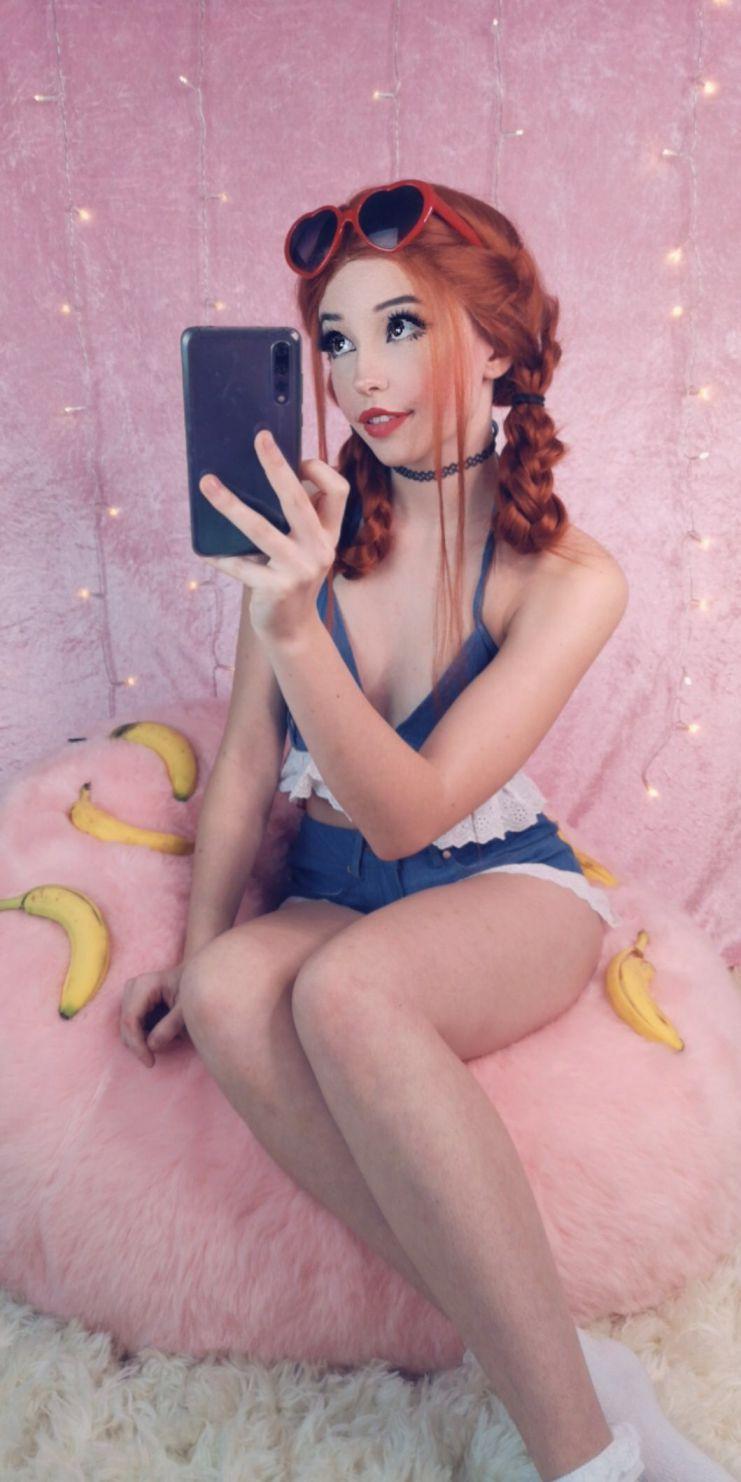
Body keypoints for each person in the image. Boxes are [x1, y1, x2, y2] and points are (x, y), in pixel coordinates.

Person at [126, 181, 733, 1482]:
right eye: (334, 339)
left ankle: (582, 1457)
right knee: (231, 989)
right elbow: (246, 764)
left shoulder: (570, 576)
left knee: (349, 995)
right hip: (330, 881)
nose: (359, 373)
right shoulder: (305, 537)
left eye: (400, 326)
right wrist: (195, 943)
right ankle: (563, 1357)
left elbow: (409, 809)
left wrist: (296, 622)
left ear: (499, 347)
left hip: (497, 884)